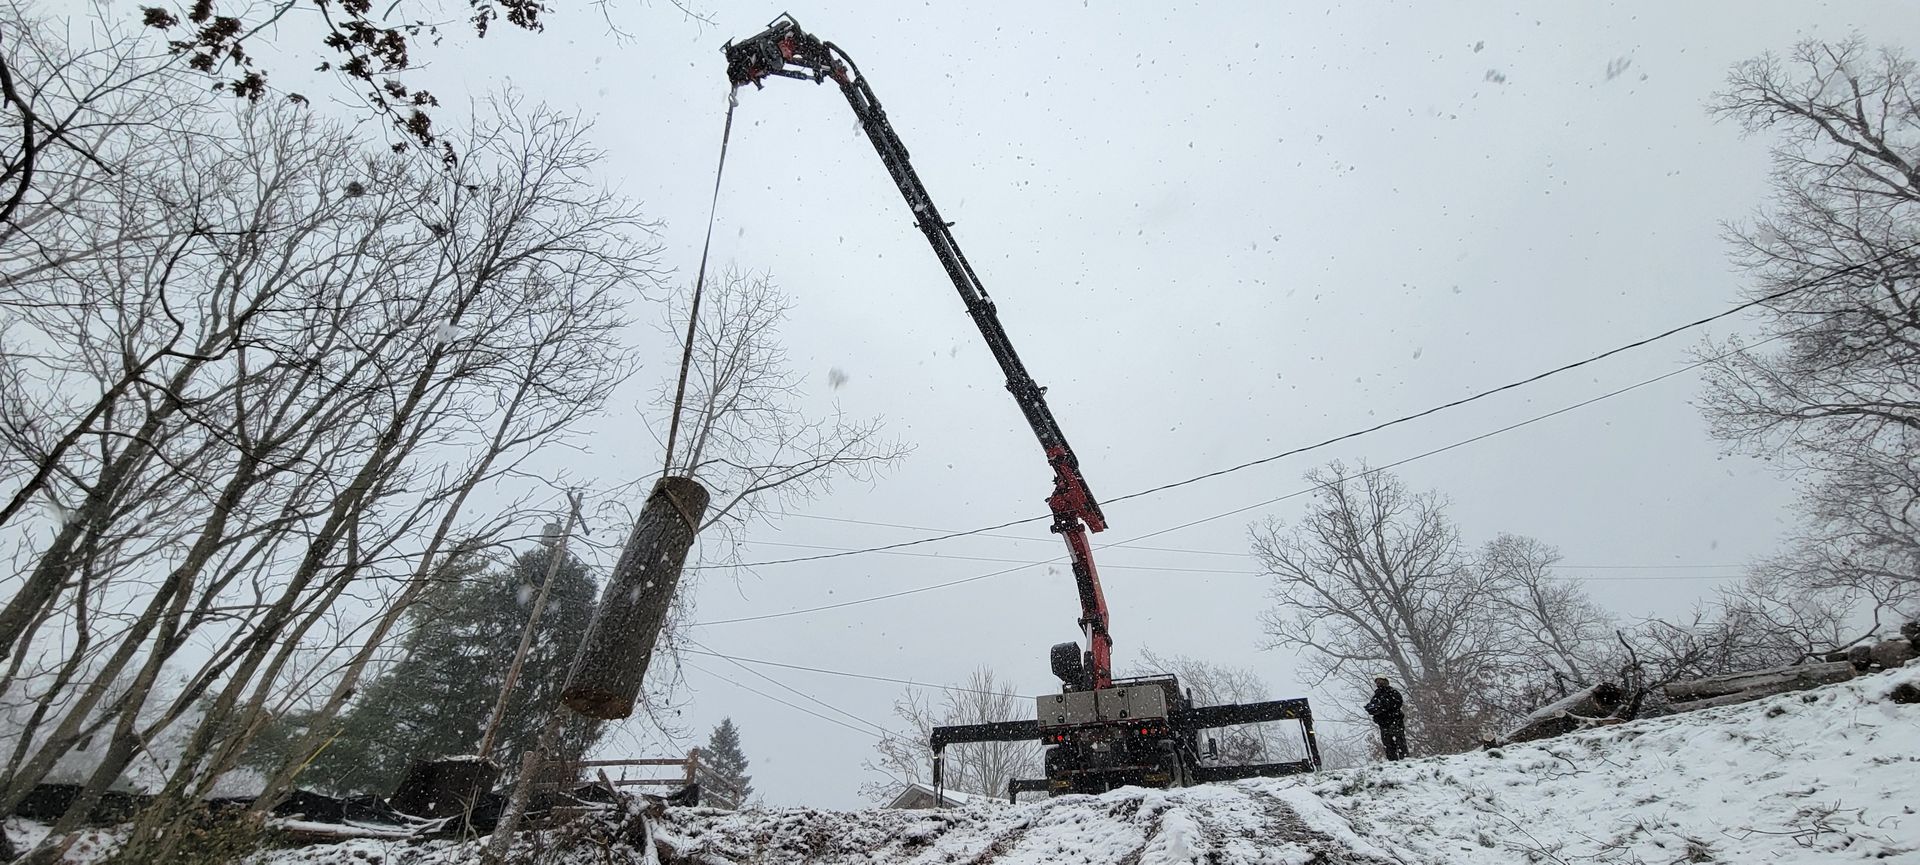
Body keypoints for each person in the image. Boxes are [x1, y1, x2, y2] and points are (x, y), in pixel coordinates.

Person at [1364, 674, 1408, 761]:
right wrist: (1379, 708)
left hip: (1395, 723)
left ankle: (1405, 761)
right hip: (1384, 725)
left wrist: (1381, 707)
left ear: (1386, 681)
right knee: (1389, 747)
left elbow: (1394, 704)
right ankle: (1393, 763)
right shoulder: (1377, 695)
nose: (1379, 683)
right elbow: (1371, 708)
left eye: (1381, 681)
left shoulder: (1393, 693)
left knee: (1400, 744)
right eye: (1377, 681)